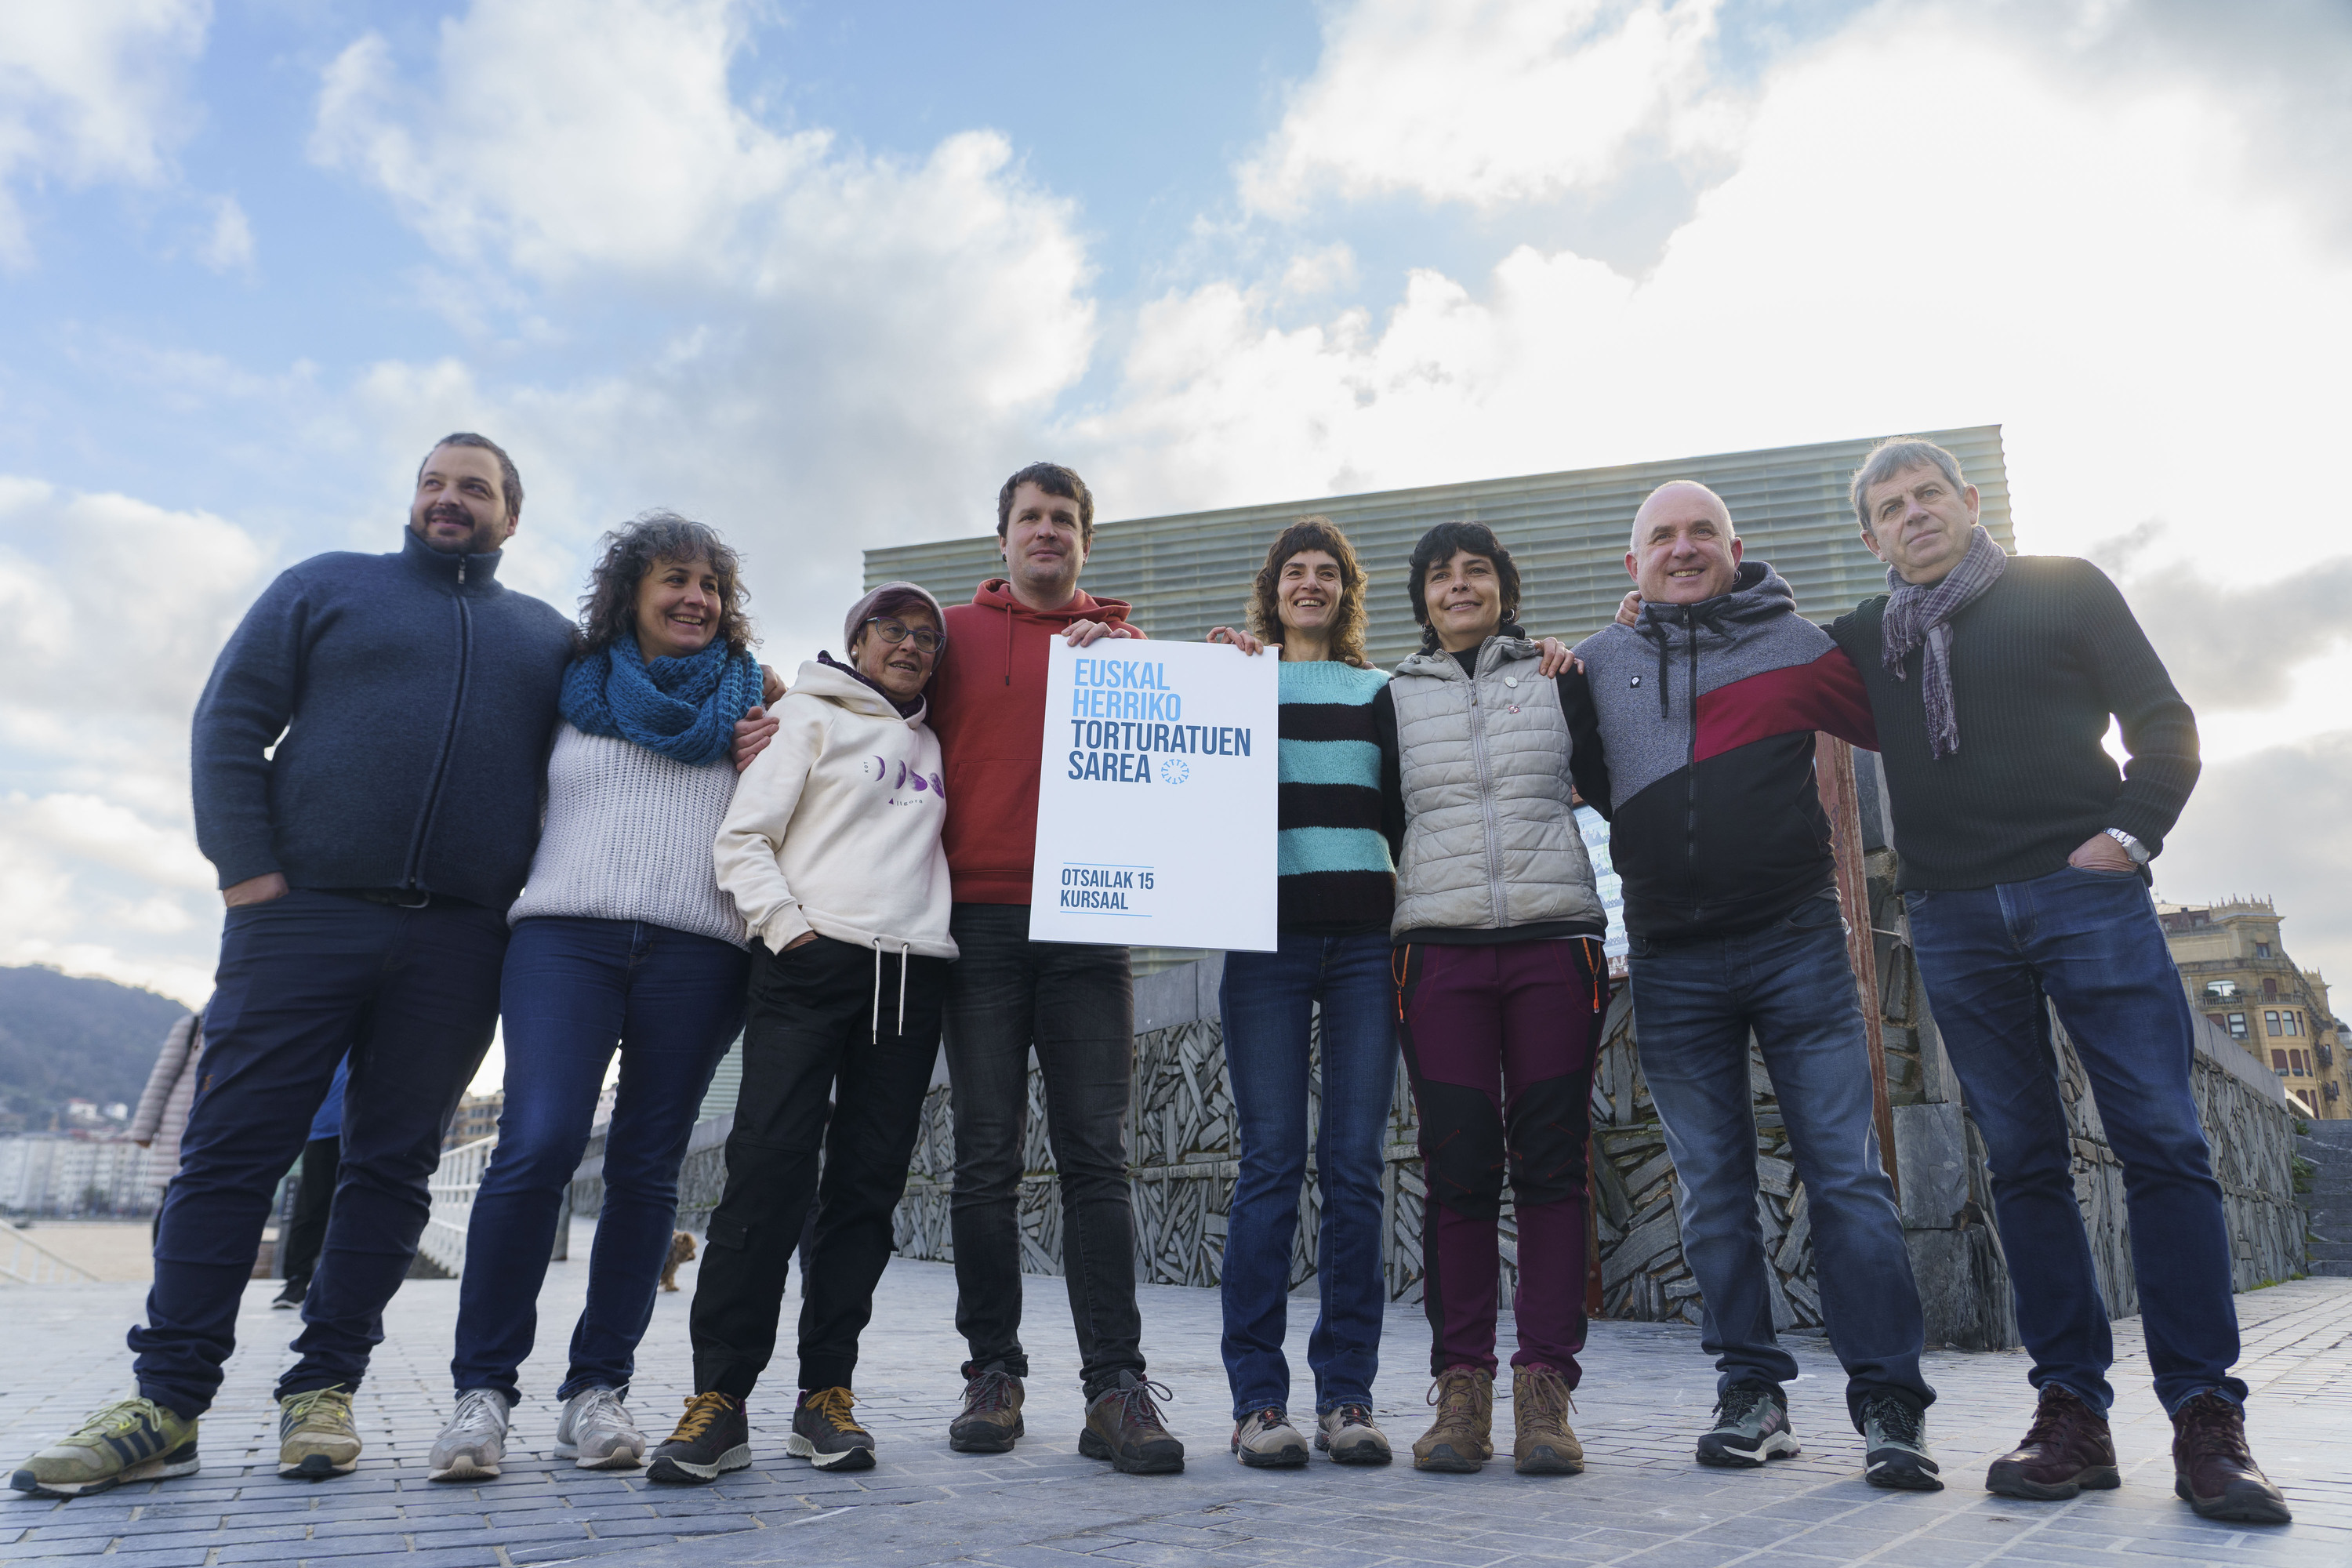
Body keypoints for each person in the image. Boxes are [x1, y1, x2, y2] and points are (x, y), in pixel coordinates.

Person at [9, 434, 577, 1498]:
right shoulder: (324, 586)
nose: (448, 499)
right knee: (229, 1154)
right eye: (433, 483)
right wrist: (248, 875)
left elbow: (627, 719)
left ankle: (324, 1391)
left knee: (390, 1164)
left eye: (475, 488)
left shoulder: (546, 638)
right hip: (299, 916)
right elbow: (229, 719)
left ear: (513, 516)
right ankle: (166, 1402)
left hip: (460, 938)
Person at [1827, 437, 2288, 1526]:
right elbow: (1749, 645)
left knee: (2164, 1145)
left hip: (2086, 894)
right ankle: (2070, 1412)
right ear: (1871, 537)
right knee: (2024, 1162)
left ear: (1970, 501)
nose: (1913, 514)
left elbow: (2165, 725)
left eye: (1928, 493)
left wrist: (2130, 836)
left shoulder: (2064, 589)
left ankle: (2207, 1419)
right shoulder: (1865, 638)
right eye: (1890, 507)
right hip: (1953, 918)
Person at [1569, 481, 1940, 1490]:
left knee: (1849, 1178)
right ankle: (1752, 1391)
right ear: (1631, 565)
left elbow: (1915, 722)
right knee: (1713, 1194)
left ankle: (1890, 1404)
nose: (1682, 549)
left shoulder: (1797, 645)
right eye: (1661, 537)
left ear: (1736, 546)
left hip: (1797, 944)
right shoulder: (1597, 664)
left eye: (1701, 533)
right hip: (1673, 959)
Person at [426, 512, 766, 1483]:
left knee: (648, 1168)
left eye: (710, 582)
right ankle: (481, 1391)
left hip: (699, 950)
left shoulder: (754, 700)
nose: (695, 597)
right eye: (674, 579)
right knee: (536, 1142)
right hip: (564, 936)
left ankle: (597, 1389)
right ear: (631, 592)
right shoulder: (566, 688)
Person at [648, 583, 956, 1482]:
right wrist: (791, 932)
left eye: (925, 636)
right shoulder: (806, 718)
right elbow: (742, 838)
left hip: (909, 977)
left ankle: (827, 1394)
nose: (908, 644)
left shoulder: (936, 741)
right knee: (766, 1175)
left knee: (864, 1193)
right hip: (805, 967)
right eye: (890, 630)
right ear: (855, 640)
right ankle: (721, 1400)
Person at [926, 462, 1182, 1475]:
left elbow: (1196, 746)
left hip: (1090, 924)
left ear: (1085, 540)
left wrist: (1180, 664)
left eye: (1064, 518)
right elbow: (866, 707)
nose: (1047, 531)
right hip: (978, 924)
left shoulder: (1123, 649)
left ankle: (1115, 1386)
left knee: (1098, 1159)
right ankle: (993, 1372)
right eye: (1030, 517)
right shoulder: (947, 635)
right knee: (984, 1161)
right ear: (1002, 539)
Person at [1375, 521, 1608, 1477]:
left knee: (1553, 1164)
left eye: (1477, 571)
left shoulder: (1561, 675)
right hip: (1438, 950)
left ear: (1506, 589)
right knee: (1459, 1166)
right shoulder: (1390, 696)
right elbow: (1376, 812)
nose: (1459, 585)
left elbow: (1607, 777)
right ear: (1422, 598)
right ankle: (1462, 1385)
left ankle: (1545, 1385)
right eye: (1441, 575)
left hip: (1556, 942)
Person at [1202, 519, 1398, 1468]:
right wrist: (1210, 678)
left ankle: (1348, 1394)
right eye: (1295, 572)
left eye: (1327, 572)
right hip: (1266, 942)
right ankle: (1257, 1402)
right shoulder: (1236, 684)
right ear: (1272, 589)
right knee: (1272, 1161)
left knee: (1354, 1166)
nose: (1310, 583)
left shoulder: (1382, 693)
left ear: (1345, 591)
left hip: (1367, 944)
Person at [274, 1058, 350, 1309]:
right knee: (310, 1206)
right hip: (325, 1125)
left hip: (371, 1123)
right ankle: (296, 1281)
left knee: (362, 1207)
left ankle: (349, 1286)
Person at [128, 1010, 205, 1245]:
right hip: (179, 1125)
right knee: (173, 1200)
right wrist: (143, 1130)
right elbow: (161, 1078)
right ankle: (162, 1270)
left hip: (213, 1123)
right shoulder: (192, 1025)